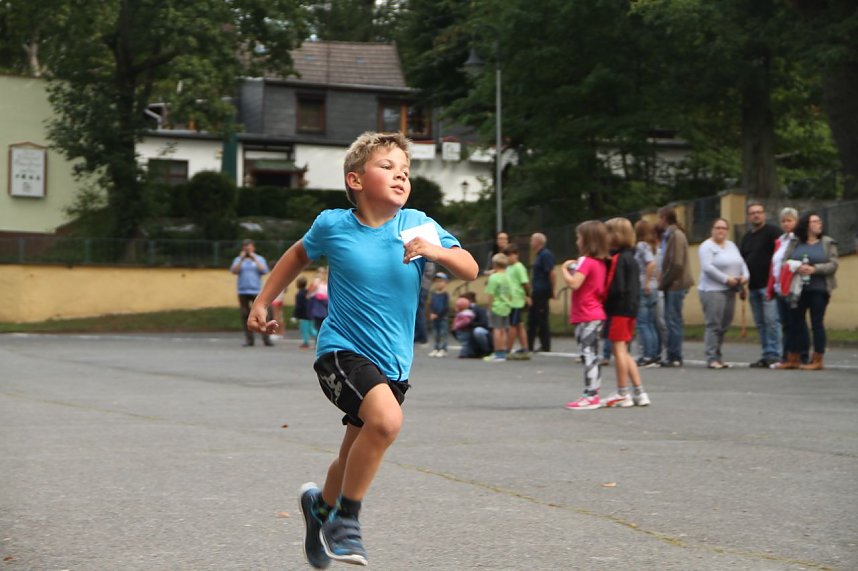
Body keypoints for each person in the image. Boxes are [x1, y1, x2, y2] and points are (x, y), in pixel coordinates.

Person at [246, 131, 478, 567]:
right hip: (342, 351)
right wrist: (263, 299)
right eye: (387, 167)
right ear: (355, 179)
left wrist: (436, 251)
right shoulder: (333, 225)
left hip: (393, 363)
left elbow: (470, 266)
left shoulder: (418, 225)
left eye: (405, 171)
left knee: (351, 452)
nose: (400, 176)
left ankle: (320, 508)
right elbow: (297, 256)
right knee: (387, 421)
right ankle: (345, 520)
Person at [780, 212, 839, 371]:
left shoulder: (827, 242)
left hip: (818, 289)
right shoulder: (796, 242)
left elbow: (833, 264)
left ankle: (817, 359)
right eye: (814, 222)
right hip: (798, 289)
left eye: (819, 221)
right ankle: (794, 357)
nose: (819, 224)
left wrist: (814, 269)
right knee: (795, 322)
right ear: (806, 225)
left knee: (816, 323)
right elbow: (785, 261)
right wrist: (795, 266)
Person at [602, 218, 650, 408]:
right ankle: (639, 391)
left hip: (618, 309)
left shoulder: (618, 259)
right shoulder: (632, 257)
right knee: (625, 350)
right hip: (630, 309)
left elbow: (615, 287)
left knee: (618, 350)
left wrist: (602, 299)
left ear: (615, 235)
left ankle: (623, 391)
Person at [561, 220, 608, 410]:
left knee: (588, 354)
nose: (577, 241)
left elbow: (574, 284)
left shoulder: (586, 262)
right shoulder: (599, 263)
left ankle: (591, 395)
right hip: (592, 313)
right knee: (591, 354)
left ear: (587, 240)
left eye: (579, 238)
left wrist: (564, 269)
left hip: (587, 314)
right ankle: (591, 392)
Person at [698, 218, 750, 369]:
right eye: (717, 228)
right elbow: (708, 268)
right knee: (713, 324)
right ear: (712, 230)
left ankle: (718, 355)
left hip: (731, 290)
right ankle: (711, 357)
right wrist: (726, 279)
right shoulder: (706, 247)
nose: (721, 231)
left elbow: (742, 263)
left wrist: (745, 276)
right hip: (712, 290)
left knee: (724, 324)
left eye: (724, 228)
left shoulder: (731, 245)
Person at [739, 201, 783, 368]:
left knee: (772, 321)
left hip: (768, 285)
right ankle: (766, 354)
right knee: (760, 322)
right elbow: (741, 262)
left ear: (764, 214)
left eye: (759, 212)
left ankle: (776, 354)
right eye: (753, 213)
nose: (756, 215)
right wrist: (741, 286)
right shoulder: (747, 237)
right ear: (749, 216)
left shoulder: (773, 232)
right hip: (753, 286)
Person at [657, 206, 694, 367]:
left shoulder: (676, 235)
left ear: (665, 218)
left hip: (675, 283)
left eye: (660, 218)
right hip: (672, 283)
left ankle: (675, 355)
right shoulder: (669, 235)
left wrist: (664, 281)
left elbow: (676, 263)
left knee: (673, 320)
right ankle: (672, 353)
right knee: (671, 319)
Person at [767, 208, 800, 368]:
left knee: (795, 323)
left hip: (792, 287)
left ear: (796, 222)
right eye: (784, 221)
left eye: (790, 220)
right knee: (785, 324)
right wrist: (771, 287)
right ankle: (786, 356)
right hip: (779, 287)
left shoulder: (798, 240)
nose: (786, 224)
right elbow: (774, 266)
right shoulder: (780, 241)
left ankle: (799, 355)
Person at [230, 238, 273, 347]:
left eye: (249, 246)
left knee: (262, 314)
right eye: (245, 247)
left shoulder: (259, 259)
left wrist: (254, 258)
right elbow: (234, 271)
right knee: (245, 315)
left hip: (257, 291)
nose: (247, 249)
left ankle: (266, 338)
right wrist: (241, 259)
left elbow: (264, 270)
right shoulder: (238, 259)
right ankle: (249, 340)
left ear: (253, 247)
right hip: (243, 291)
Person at [634, 220, 660, 367]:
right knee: (650, 322)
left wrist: (646, 282)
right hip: (654, 287)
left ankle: (647, 355)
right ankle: (654, 353)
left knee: (643, 323)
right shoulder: (654, 246)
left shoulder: (641, 246)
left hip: (644, 286)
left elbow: (650, 264)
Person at [527, 232, 556, 353]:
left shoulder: (545, 255)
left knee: (542, 318)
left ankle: (545, 345)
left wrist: (552, 290)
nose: (530, 243)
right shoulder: (538, 256)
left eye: (532, 240)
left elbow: (552, 273)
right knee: (532, 319)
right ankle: (529, 345)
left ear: (538, 242)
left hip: (542, 291)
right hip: (536, 292)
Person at [503, 243, 531, 359]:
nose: (508, 258)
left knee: (513, 325)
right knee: (519, 325)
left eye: (510, 255)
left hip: (516, 300)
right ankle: (525, 348)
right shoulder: (508, 268)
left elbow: (525, 283)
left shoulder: (519, 267)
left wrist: (528, 296)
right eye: (506, 256)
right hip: (510, 300)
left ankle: (508, 349)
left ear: (516, 255)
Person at [484, 253, 513, 362]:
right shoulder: (508, 277)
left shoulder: (493, 278)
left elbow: (490, 294)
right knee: (504, 330)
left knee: (496, 330)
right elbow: (510, 293)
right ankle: (503, 352)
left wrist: (489, 306)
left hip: (496, 306)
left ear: (494, 264)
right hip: (506, 306)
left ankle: (497, 352)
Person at [454, 291, 493, 358]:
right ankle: (471, 351)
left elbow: (484, 323)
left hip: (482, 331)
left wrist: (470, 324)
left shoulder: (479, 310)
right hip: (468, 331)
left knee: (478, 331)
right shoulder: (462, 312)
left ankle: (486, 350)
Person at [414, 260, 436, 344]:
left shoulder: (426, 257)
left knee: (419, 311)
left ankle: (422, 336)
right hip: (422, 286)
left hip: (422, 286)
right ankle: (419, 334)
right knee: (418, 311)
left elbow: (429, 272)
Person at [428, 272, 450, 357]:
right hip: (434, 317)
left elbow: (445, 307)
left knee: (442, 333)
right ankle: (436, 348)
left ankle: (443, 349)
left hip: (442, 317)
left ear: (445, 282)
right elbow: (431, 304)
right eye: (437, 281)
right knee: (435, 334)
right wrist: (431, 313)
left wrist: (438, 314)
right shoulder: (433, 294)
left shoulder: (445, 295)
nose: (438, 283)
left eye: (441, 281)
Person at [307, 266, 330, 335]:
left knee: (325, 326)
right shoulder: (316, 282)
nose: (322, 274)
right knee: (318, 326)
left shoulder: (329, 282)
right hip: (319, 307)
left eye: (324, 272)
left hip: (326, 307)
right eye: (320, 272)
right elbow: (309, 293)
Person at [293, 275, 314, 349]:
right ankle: (319, 339)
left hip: (303, 315)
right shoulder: (308, 292)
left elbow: (298, 306)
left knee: (304, 329)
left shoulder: (299, 294)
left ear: (297, 284)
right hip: (310, 314)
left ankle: (306, 343)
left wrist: (295, 316)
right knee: (311, 329)